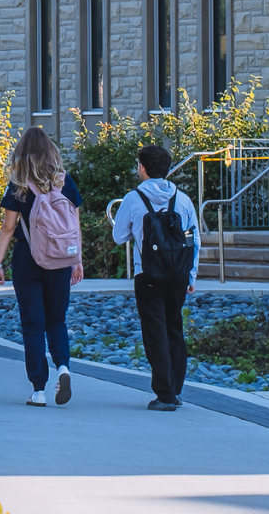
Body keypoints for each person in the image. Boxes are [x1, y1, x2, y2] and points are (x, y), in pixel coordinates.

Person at [0, 126, 84, 407]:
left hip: (28, 258)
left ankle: (39, 390)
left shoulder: (19, 183)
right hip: (61, 259)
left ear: (22, 152)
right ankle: (63, 367)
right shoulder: (63, 180)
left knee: (33, 324)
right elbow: (74, 223)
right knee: (57, 320)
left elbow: (8, 227)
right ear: (49, 149)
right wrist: (77, 259)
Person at [111, 145, 201, 412]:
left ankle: (164, 394)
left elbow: (119, 236)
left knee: (155, 332)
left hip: (147, 274)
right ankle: (175, 389)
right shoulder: (183, 200)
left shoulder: (133, 199)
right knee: (174, 328)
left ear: (142, 168)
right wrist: (192, 275)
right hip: (178, 275)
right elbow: (194, 240)